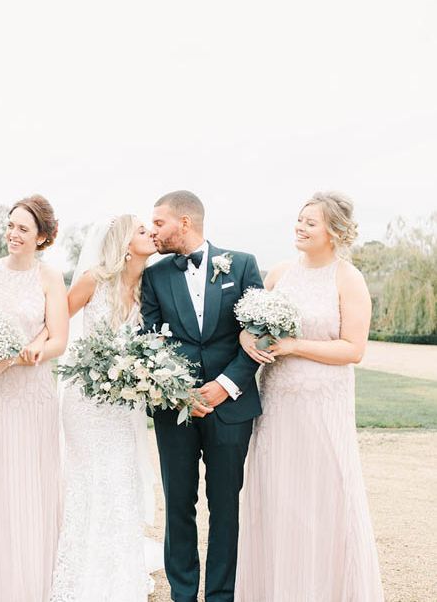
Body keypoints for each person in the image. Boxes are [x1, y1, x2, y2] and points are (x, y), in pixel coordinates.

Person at [235, 191, 384, 601]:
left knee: (323, 492)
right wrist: (249, 337)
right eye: (299, 220)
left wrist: (294, 346)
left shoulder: (347, 278)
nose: (300, 227)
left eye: (310, 222)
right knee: (280, 494)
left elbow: (353, 349)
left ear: (334, 231)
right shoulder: (280, 273)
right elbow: (250, 326)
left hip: (323, 402)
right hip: (278, 403)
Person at [141, 190, 263, 602]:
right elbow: (148, 341)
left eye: (159, 222)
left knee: (225, 505)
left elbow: (260, 333)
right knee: (178, 504)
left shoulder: (243, 265)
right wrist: (177, 392)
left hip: (231, 407)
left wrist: (226, 386)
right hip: (174, 409)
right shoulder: (154, 276)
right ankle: (183, 593)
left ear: (185, 222)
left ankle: (222, 595)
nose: (152, 230)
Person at [0, 195, 68, 602]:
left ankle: (30, 583)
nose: (12, 234)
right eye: (10, 226)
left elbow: (57, 339)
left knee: (28, 482)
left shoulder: (49, 278)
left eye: (23, 228)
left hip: (29, 395)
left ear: (42, 237)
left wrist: (11, 361)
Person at [50, 215, 160, 602]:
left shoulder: (152, 287)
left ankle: (118, 573)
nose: (153, 234)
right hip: (87, 400)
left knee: (122, 480)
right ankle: (81, 572)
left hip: (125, 404)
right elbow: (56, 323)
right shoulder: (94, 280)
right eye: (144, 231)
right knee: (90, 480)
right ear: (126, 244)